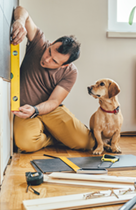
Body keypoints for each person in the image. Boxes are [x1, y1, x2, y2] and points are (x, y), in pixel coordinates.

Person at [11, 6, 95, 152]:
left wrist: (36, 109)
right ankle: (52, 138)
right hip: (24, 109)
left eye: (55, 61)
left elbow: (54, 101)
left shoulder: (71, 72)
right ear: (51, 44)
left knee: (87, 143)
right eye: (49, 51)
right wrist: (19, 20)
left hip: (49, 109)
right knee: (26, 144)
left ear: (64, 65)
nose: (47, 59)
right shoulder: (39, 44)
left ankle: (57, 133)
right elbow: (22, 10)